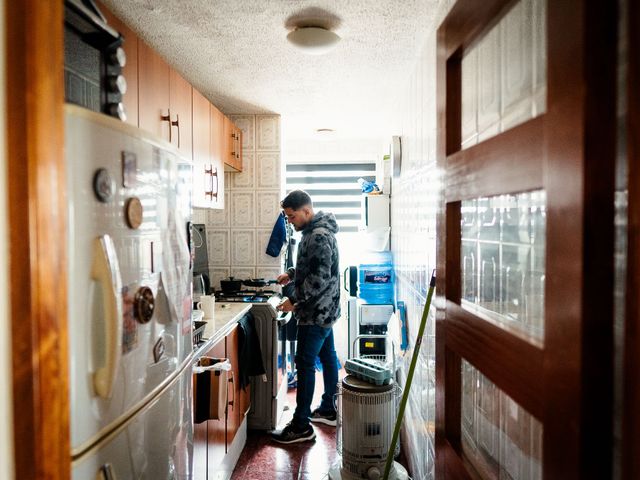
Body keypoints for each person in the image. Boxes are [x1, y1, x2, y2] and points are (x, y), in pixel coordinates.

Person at [271, 190, 341, 444]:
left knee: (305, 363)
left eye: (292, 216)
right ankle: (328, 409)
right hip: (325, 310)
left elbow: (318, 279)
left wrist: (295, 300)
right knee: (327, 356)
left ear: (307, 212)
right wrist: (291, 272)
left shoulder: (319, 236)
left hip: (315, 312)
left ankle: (301, 425)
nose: (289, 221)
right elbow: (315, 267)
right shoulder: (314, 233)